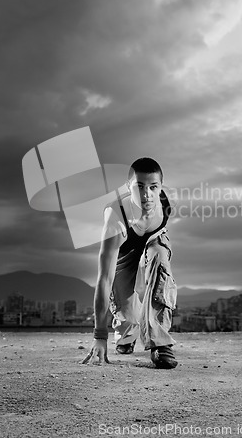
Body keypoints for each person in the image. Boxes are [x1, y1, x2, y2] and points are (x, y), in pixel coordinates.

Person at [82, 157, 177, 369]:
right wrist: (99, 336)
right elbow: (104, 279)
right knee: (128, 316)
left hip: (153, 240)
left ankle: (159, 343)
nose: (146, 194)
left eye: (153, 187)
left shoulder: (165, 203)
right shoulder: (115, 218)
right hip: (124, 252)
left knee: (159, 257)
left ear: (161, 187)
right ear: (128, 187)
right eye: (139, 186)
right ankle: (128, 330)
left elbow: (159, 239)